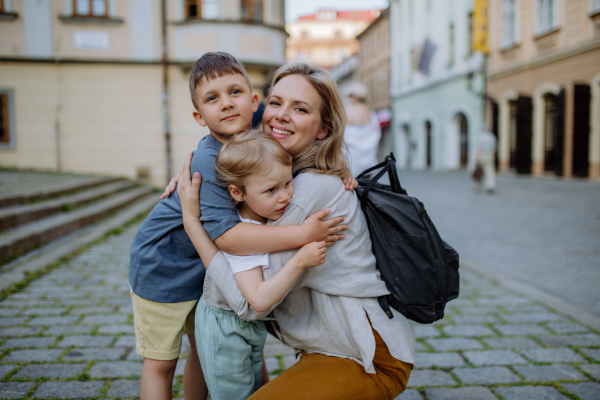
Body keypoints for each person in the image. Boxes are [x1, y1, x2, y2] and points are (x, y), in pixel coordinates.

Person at [174, 62, 415, 400]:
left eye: (300, 109)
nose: (280, 115)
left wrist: (192, 222)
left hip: (365, 357)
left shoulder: (304, 191)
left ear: (322, 130)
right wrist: (207, 174)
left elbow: (247, 304)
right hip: (329, 351)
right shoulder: (281, 178)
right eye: (276, 103)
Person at [128, 52, 346, 400]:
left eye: (235, 93)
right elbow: (230, 238)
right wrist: (303, 235)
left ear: (254, 101)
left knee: (202, 348)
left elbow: (293, 164)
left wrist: (339, 169)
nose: (227, 104)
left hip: (203, 270)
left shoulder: (259, 144)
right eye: (213, 99)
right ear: (200, 116)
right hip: (163, 268)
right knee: (161, 362)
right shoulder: (206, 162)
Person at [182, 130, 328, 400]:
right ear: (237, 193)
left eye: (287, 183)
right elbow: (258, 299)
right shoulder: (244, 236)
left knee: (255, 391)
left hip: (247, 326)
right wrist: (299, 261)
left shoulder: (263, 217)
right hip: (225, 330)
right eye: (271, 190)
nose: (285, 196)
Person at [344, 82, 382, 176]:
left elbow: (345, 134)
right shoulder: (370, 113)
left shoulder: (350, 111)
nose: (349, 98)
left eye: (350, 95)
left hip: (353, 159)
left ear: (355, 97)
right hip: (369, 160)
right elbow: (375, 133)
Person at [475, 125, 497, 194]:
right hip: (489, 156)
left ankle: (478, 187)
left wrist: (477, 158)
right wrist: (493, 158)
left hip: (481, 156)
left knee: (479, 172)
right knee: (490, 172)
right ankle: (490, 186)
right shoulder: (492, 137)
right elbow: (494, 149)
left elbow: (478, 149)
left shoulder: (480, 137)